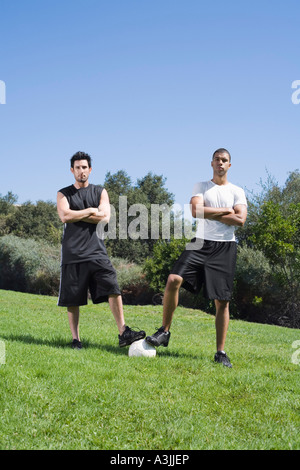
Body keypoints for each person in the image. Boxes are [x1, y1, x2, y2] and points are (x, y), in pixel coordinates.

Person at [146, 148, 247, 367]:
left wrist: (209, 210)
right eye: (217, 160)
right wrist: (225, 211)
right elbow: (195, 211)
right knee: (173, 279)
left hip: (225, 247)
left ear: (230, 165)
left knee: (222, 301)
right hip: (200, 242)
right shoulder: (200, 186)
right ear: (211, 163)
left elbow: (240, 220)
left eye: (225, 160)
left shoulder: (237, 191)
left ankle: (220, 352)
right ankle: (164, 331)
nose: (220, 163)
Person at [57, 151, 145, 349]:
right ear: (72, 170)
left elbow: (105, 217)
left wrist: (77, 214)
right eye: (78, 167)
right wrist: (90, 211)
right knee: (73, 298)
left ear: (90, 169)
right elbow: (64, 216)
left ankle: (123, 332)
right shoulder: (63, 193)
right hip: (72, 253)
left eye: (85, 167)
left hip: (96, 250)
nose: (82, 171)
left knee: (112, 284)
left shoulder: (100, 191)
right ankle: (76, 339)